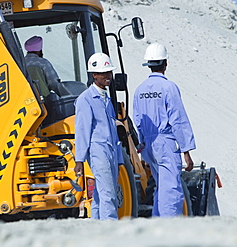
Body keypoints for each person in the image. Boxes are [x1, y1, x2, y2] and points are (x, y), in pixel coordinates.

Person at [133, 43, 196, 217]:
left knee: (160, 187)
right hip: (165, 143)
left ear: (149, 65)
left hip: (149, 145)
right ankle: (170, 229)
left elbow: (138, 121)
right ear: (165, 63)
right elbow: (178, 120)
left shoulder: (140, 90)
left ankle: (157, 224)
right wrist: (186, 151)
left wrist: (143, 149)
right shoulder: (169, 88)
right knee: (171, 189)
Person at [74, 53, 123, 221]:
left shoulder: (107, 99)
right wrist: (79, 160)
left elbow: (113, 131)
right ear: (94, 75)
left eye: (109, 72)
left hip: (110, 151)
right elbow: (82, 131)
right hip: (98, 151)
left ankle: (95, 227)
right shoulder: (85, 99)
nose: (107, 76)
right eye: (103, 73)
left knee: (100, 195)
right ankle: (110, 228)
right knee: (109, 194)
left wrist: (119, 158)